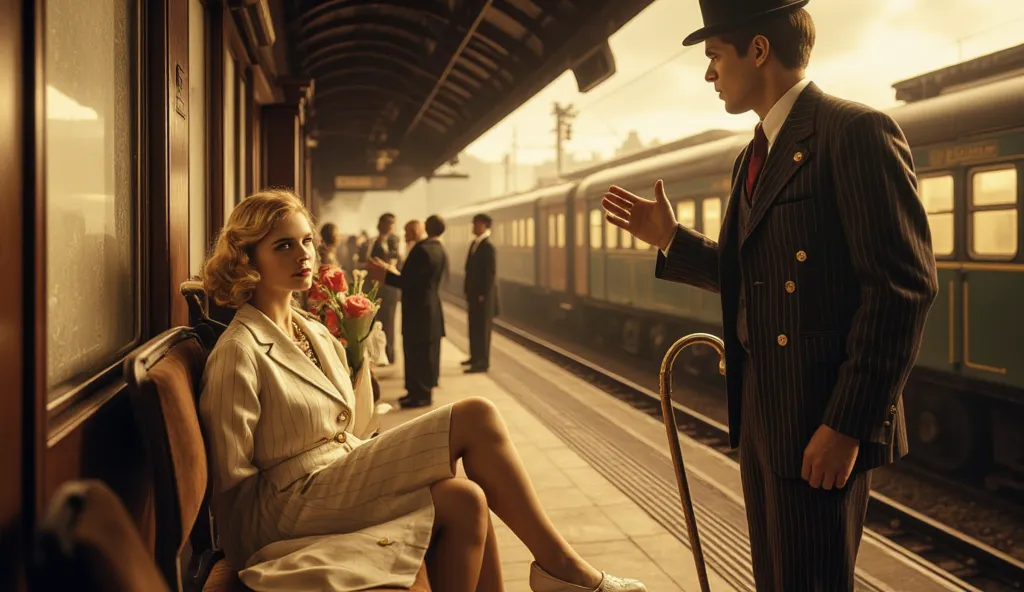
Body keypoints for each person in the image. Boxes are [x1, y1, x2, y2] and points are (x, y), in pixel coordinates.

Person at [602, 2, 938, 590]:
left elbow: (901, 289)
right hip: (764, 417)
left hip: (819, 421)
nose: (709, 73)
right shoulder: (752, 155)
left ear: (758, 51)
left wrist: (848, 425)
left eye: (714, 56)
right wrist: (670, 240)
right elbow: (751, 276)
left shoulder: (854, 132)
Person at [199, 189, 646, 592]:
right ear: (248, 259)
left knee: (467, 498)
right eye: (283, 245)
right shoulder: (238, 352)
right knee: (476, 415)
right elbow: (232, 487)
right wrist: (251, 555)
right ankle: (564, 569)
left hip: (336, 477)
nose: (303, 254)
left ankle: (559, 571)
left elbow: (346, 427)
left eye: (306, 241)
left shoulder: (312, 330)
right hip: (284, 509)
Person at [367, 216, 447, 407]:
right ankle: (415, 392)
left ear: (424, 228)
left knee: (415, 352)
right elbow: (414, 278)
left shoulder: (421, 250)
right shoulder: (439, 249)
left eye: (407, 231)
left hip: (418, 310)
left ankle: (419, 395)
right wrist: (390, 270)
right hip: (430, 308)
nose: (404, 234)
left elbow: (406, 282)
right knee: (422, 352)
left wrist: (384, 274)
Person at [462, 213, 498, 373]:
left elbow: (489, 273)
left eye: (476, 224)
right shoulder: (475, 244)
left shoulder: (488, 246)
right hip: (474, 294)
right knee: (474, 326)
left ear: (484, 226)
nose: (473, 227)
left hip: (483, 296)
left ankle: (482, 361)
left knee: (482, 329)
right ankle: (475, 356)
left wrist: (483, 293)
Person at [369, 212, 400, 364]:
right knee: (378, 322)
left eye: (392, 224)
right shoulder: (375, 243)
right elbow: (372, 262)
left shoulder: (396, 241)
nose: (391, 227)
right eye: (388, 224)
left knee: (390, 322)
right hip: (378, 287)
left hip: (391, 288)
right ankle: (380, 355)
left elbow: (395, 263)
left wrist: (386, 265)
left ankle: (390, 354)